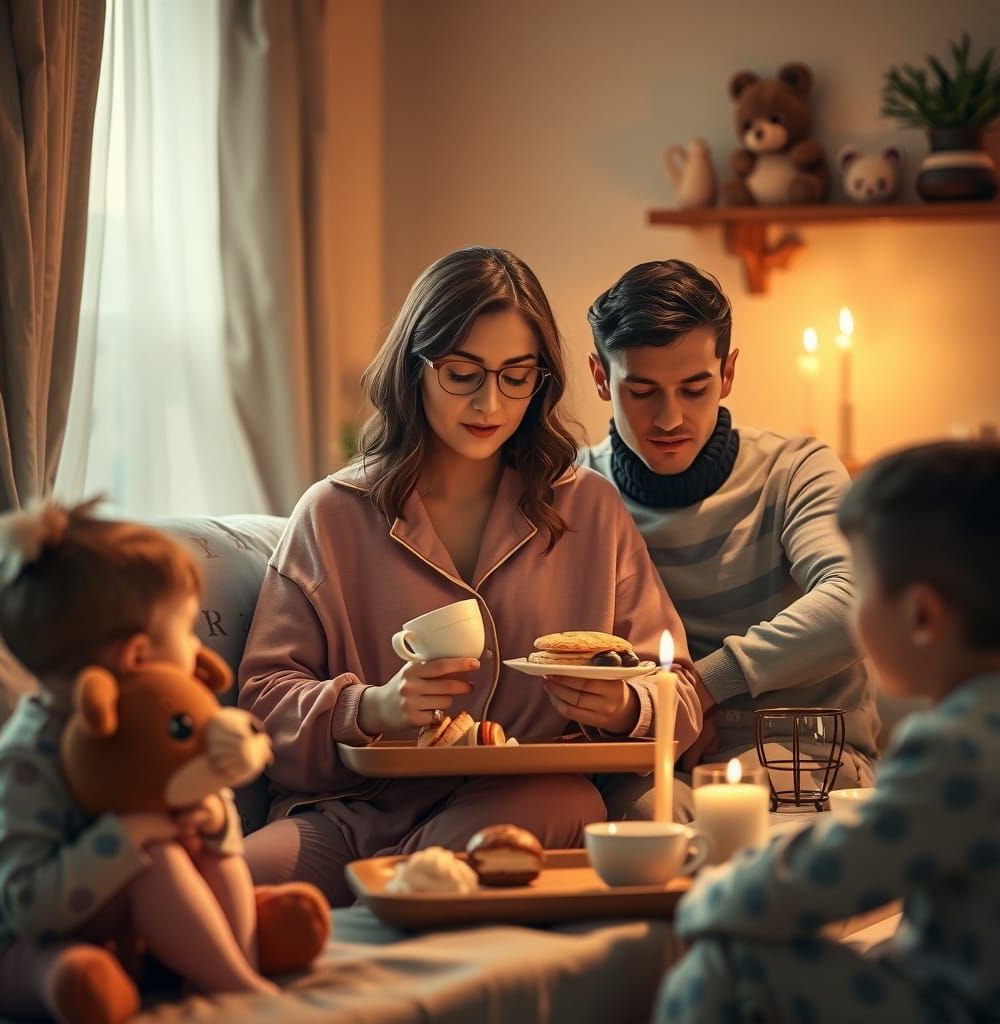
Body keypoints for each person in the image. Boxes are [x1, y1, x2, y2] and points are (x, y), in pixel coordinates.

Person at [238, 246, 703, 904]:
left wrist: (628, 706)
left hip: (518, 805)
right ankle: (403, 895)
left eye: (517, 376)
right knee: (214, 890)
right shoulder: (332, 514)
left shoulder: (589, 511)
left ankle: (390, 899)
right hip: (349, 815)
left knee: (552, 805)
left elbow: (679, 688)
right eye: (463, 374)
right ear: (415, 367)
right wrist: (370, 707)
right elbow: (263, 702)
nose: (491, 402)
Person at [654, 441, 1000, 1024]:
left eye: (861, 587)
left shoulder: (954, 748)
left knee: (730, 966)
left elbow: (828, 875)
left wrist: (705, 899)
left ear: (922, 616)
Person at [0, 503, 325, 1024]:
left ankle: (234, 958)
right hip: (23, 941)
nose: (195, 648)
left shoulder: (152, 727)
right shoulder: (24, 764)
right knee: (141, 872)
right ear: (136, 655)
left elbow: (201, 807)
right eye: (186, 631)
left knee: (193, 842)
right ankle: (230, 982)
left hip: (130, 925)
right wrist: (127, 836)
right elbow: (30, 908)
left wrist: (212, 820)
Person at [581, 259, 878, 811]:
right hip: (649, 763)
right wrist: (661, 716)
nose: (669, 418)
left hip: (804, 756)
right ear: (601, 377)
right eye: (642, 391)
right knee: (644, 824)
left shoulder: (795, 470)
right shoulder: (577, 490)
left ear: (728, 372)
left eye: (695, 389)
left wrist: (703, 686)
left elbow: (861, 601)